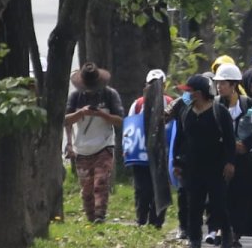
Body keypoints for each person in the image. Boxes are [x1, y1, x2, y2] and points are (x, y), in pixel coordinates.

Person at [171, 74, 236, 248]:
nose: (186, 95)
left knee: (218, 204)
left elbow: (230, 140)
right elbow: (180, 138)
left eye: (189, 92)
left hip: (216, 166)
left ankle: (226, 232)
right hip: (192, 167)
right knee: (194, 206)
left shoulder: (219, 112)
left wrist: (230, 162)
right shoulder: (185, 113)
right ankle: (195, 243)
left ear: (199, 93)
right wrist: (177, 162)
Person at [64, 63, 125, 223]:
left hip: (104, 145)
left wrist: (101, 115)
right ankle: (91, 218)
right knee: (87, 190)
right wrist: (81, 113)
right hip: (82, 148)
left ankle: (100, 215)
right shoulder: (75, 97)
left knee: (101, 181)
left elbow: (119, 120)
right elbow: (66, 120)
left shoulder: (110, 95)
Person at [214, 63, 252, 248]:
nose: (220, 86)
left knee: (241, 196)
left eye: (223, 83)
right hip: (220, 158)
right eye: (218, 83)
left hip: (243, 160)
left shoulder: (248, 104)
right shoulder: (214, 105)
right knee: (220, 195)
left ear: (233, 84)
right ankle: (220, 229)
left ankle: (236, 232)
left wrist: (246, 144)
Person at [126, 69, 174, 228]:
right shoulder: (138, 104)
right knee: (142, 189)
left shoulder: (170, 103)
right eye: (151, 84)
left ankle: (157, 221)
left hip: (162, 155)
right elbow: (131, 126)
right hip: (141, 155)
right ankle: (141, 219)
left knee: (159, 187)